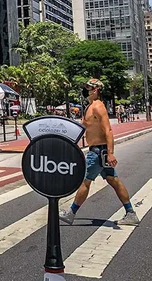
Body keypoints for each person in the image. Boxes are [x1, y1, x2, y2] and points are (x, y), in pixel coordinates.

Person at [59, 79, 139, 226]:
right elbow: (83, 128)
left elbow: (108, 130)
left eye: (89, 88)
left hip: (97, 153)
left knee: (85, 181)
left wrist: (110, 153)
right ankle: (131, 213)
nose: (86, 91)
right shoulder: (90, 107)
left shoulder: (98, 107)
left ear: (96, 90)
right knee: (113, 181)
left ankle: (71, 213)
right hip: (99, 151)